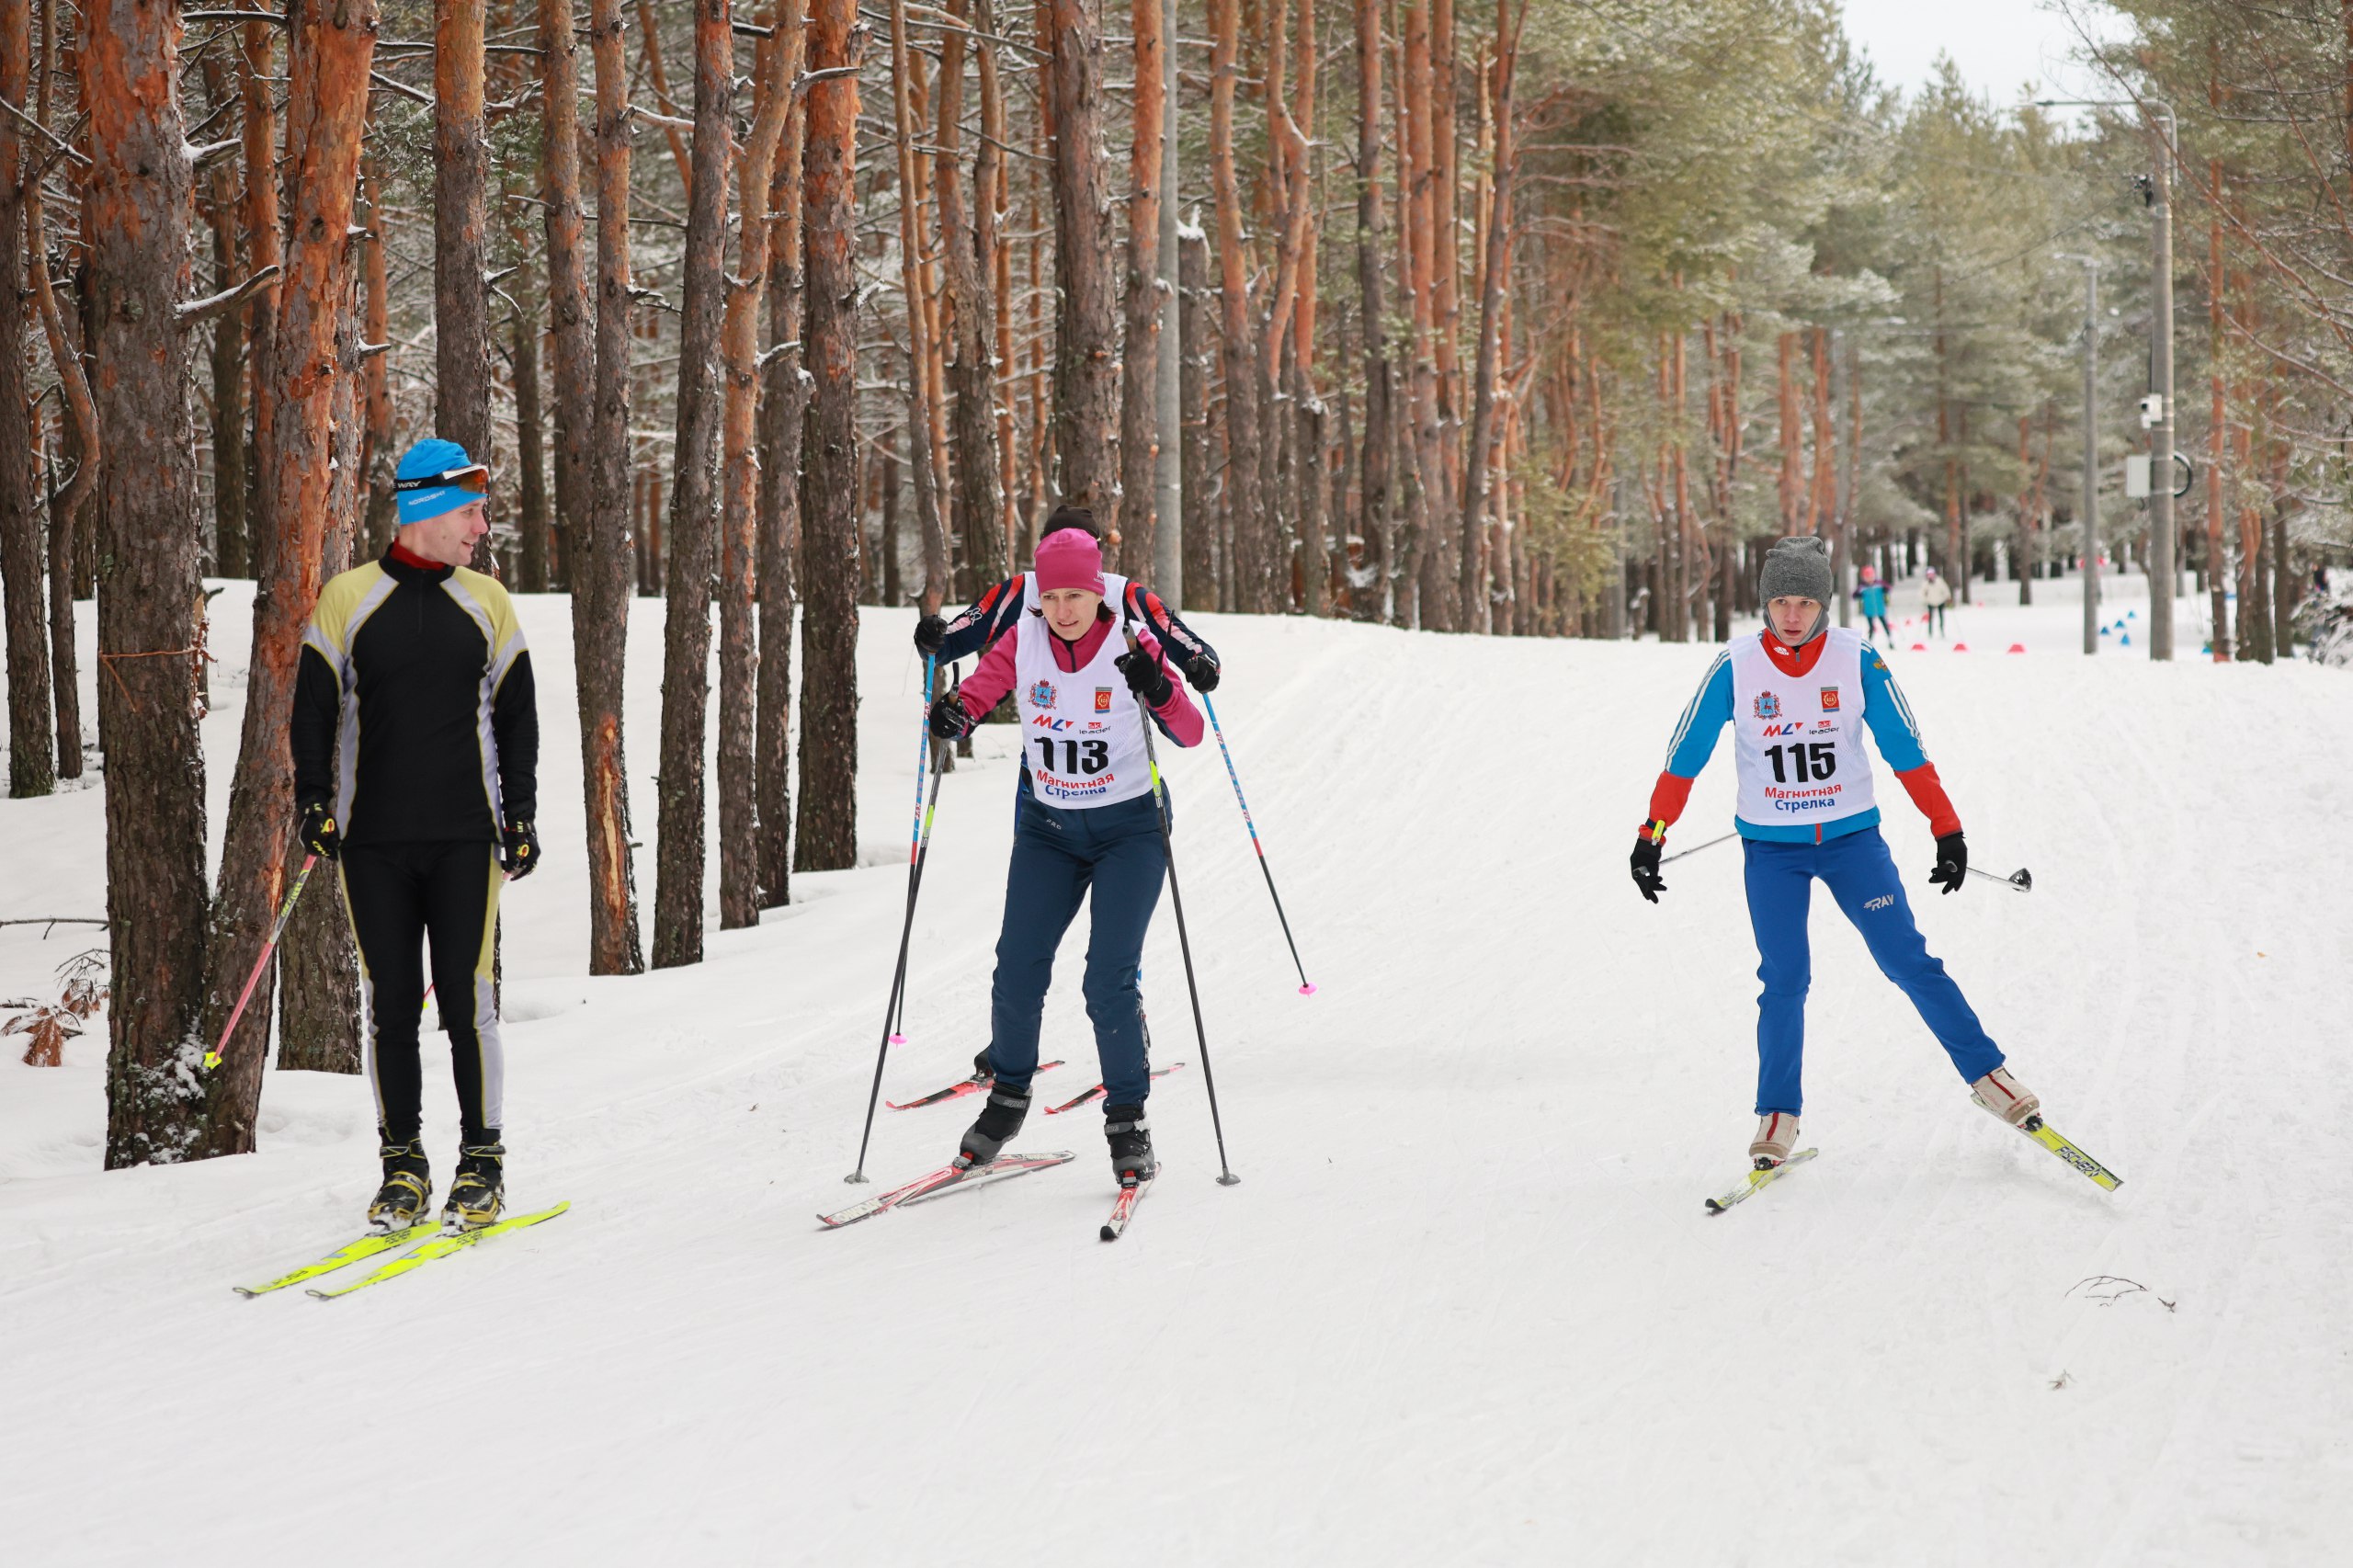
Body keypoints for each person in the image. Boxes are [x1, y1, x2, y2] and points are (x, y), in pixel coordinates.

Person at [1627, 536, 2040, 1170]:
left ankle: (1989, 1076)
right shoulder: (1736, 666)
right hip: (1773, 854)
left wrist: (1947, 831)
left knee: (1908, 960)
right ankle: (1778, 1112)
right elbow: (1686, 756)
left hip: (1852, 845)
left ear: (1826, 606)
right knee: (1785, 979)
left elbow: (1906, 749)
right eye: (1781, 601)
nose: (1793, 616)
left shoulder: (1857, 660)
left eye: (1807, 602)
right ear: (1766, 605)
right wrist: (1651, 834)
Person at [291, 438, 540, 1233]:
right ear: (427, 510)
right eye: (470, 511)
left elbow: (518, 719)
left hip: (467, 840)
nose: (481, 526)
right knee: (390, 1004)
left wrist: (521, 815)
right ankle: (403, 1167)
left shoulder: (487, 602)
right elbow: (314, 711)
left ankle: (482, 1163)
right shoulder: (348, 598)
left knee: (469, 1003)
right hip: (373, 844)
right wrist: (314, 801)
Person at [926, 528, 1204, 1184]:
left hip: (1129, 832)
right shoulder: (1023, 638)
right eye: (1052, 597)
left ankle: (1128, 1118)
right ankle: (1008, 1098)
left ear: (1098, 590)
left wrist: (1157, 687)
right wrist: (951, 716)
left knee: (1107, 978)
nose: (1064, 610)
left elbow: (1189, 731)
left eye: (1076, 595)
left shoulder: (1129, 642)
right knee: (1017, 967)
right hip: (1049, 831)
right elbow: (979, 694)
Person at [916, 505, 1222, 693]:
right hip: (1049, 740)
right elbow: (951, 642)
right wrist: (932, 638)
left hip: (1114, 735)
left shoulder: (1124, 593)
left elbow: (1185, 643)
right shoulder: (1021, 591)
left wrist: (1202, 665)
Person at [1856, 564, 1893, 642]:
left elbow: (1889, 588)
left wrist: (1886, 590)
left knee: (1884, 624)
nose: (1869, 579)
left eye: (1871, 576)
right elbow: (1854, 595)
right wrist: (1858, 595)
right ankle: (1870, 641)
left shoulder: (1879, 584)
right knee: (1871, 627)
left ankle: (1890, 639)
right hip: (1869, 610)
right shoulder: (1863, 587)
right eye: (1867, 577)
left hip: (1880, 609)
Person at [1919, 567, 1952, 636]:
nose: (1930, 576)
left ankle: (1941, 629)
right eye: (1929, 575)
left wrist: (1948, 597)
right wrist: (1924, 600)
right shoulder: (1925, 584)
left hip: (1940, 601)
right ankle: (1930, 631)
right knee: (1930, 617)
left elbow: (1945, 589)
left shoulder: (1939, 581)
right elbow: (1922, 593)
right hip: (1930, 602)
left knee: (1941, 616)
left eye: (1931, 574)